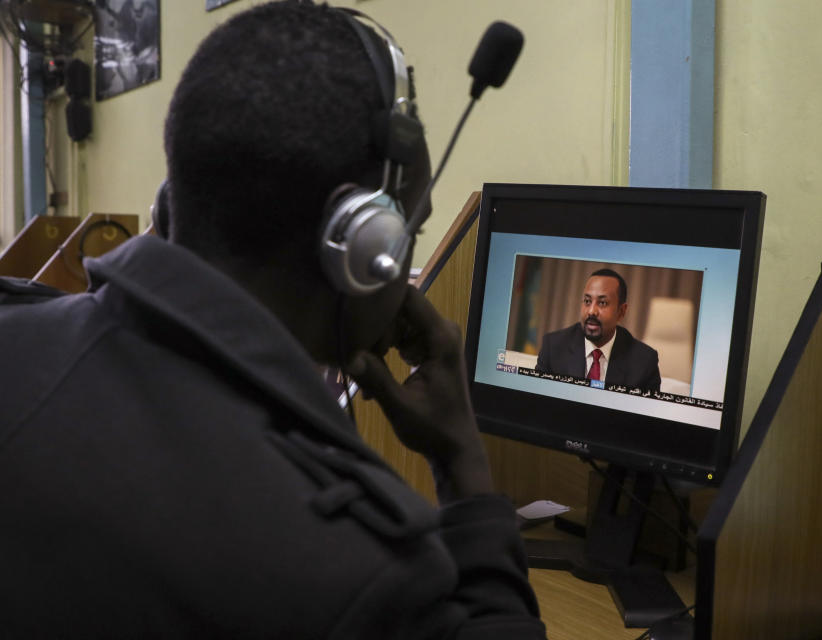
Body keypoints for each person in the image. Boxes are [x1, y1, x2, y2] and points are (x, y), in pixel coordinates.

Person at [0, 2, 545, 638]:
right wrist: (462, 465)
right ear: (364, 249)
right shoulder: (359, 569)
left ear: (170, 204)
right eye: (408, 234)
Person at [536, 268, 661, 392]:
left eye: (602, 303)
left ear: (621, 312)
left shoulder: (644, 361)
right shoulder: (553, 347)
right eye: (587, 301)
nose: (591, 311)